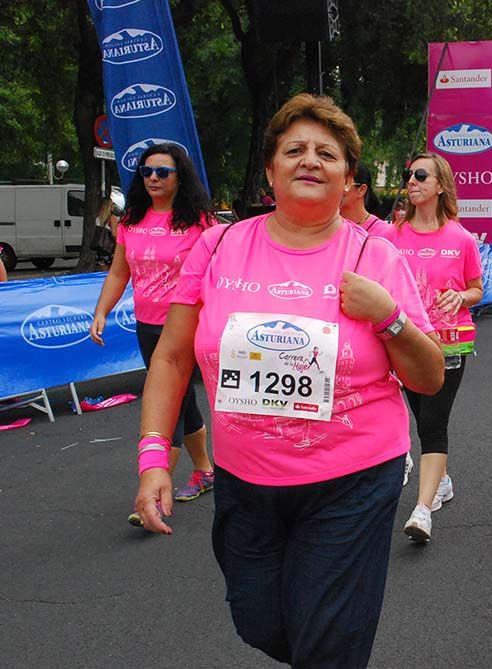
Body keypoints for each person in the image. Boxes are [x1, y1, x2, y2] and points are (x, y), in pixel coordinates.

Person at [131, 93, 443, 666]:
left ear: (349, 177)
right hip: (245, 481)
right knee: (261, 622)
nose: (310, 160)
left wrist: (388, 316)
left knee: (327, 644)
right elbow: (172, 358)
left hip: (352, 477)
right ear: (271, 169)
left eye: (327, 153)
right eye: (294, 149)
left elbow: (427, 378)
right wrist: (155, 457)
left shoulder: (377, 257)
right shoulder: (218, 245)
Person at [89, 143, 216, 526]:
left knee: (170, 403)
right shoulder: (130, 220)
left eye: (163, 172)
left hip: (185, 324)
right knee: (183, 401)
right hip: (147, 324)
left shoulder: (201, 222)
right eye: (147, 172)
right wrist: (101, 311)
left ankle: (154, 496)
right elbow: (118, 272)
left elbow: (220, 271)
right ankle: (206, 471)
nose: (154, 179)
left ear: (181, 176)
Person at [386, 152, 483, 543]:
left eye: (421, 175)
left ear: (440, 185)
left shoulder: (460, 238)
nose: (412, 181)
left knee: (432, 423)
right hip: (405, 343)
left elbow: (477, 289)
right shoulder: (391, 236)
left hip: (449, 344)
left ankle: (422, 510)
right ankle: (440, 479)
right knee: (420, 413)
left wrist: (461, 297)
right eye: (409, 175)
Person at [342, 162, 393, 237]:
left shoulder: (385, 232)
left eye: (345, 183)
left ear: (362, 190)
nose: (336, 189)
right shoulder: (326, 229)